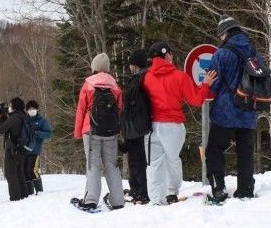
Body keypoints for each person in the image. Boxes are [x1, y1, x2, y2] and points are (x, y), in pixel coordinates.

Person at [142, 42, 217, 206]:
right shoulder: (179, 76)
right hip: (173, 126)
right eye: (171, 53)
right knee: (173, 160)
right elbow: (196, 100)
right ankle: (171, 193)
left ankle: (156, 200)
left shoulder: (146, 77)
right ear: (167, 55)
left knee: (154, 165)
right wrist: (206, 85)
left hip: (150, 127)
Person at [205, 16, 259, 202]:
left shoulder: (221, 54)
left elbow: (212, 85)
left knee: (214, 149)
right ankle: (246, 189)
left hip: (226, 112)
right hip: (249, 110)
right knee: (245, 151)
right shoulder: (254, 51)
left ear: (225, 33)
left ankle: (218, 187)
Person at [73, 52, 125, 211]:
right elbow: (120, 109)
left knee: (93, 165)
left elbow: (81, 109)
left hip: (91, 131)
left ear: (94, 68)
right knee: (111, 165)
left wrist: (77, 132)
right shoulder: (115, 85)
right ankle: (118, 201)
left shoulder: (88, 84)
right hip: (110, 132)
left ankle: (90, 201)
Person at [119, 49, 151, 204]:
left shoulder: (141, 80)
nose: (131, 67)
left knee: (137, 161)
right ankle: (137, 189)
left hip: (136, 126)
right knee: (137, 160)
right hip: (137, 125)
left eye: (132, 64)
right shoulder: (141, 78)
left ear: (137, 64)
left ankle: (140, 192)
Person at [0, 97, 30, 201]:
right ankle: (24, 195)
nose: (8, 107)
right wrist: (6, 113)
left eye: (10, 105)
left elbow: (1, 129)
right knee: (19, 172)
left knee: (10, 174)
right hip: (21, 149)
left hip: (12, 149)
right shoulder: (23, 116)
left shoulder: (13, 118)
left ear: (14, 107)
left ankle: (15, 197)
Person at [24, 100, 53, 194]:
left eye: (33, 109)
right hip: (24, 150)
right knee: (25, 171)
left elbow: (48, 134)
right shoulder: (24, 120)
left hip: (35, 150)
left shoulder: (42, 121)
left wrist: (37, 133)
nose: (31, 110)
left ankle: (39, 191)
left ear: (37, 109)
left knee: (33, 170)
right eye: (29, 109)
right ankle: (29, 192)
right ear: (27, 110)